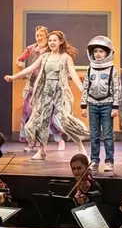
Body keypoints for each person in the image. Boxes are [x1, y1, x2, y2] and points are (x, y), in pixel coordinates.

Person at [5, 30, 90, 160]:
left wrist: (82, 88)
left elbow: (72, 73)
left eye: (54, 40)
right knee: (42, 121)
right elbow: (31, 68)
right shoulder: (45, 57)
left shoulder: (65, 57)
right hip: (46, 92)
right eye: (50, 40)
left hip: (59, 93)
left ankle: (80, 147)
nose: (51, 43)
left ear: (61, 41)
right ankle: (41, 150)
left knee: (65, 120)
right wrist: (13, 77)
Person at [17, 25, 66, 150]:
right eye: (37, 35)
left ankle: (59, 139)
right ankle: (31, 142)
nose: (39, 38)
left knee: (50, 114)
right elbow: (20, 60)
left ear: (46, 36)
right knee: (29, 114)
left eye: (41, 36)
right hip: (33, 84)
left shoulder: (50, 50)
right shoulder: (31, 48)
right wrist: (22, 69)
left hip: (47, 84)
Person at [80, 35, 122, 172]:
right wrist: (83, 105)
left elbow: (117, 89)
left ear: (107, 53)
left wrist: (115, 107)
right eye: (96, 51)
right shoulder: (89, 69)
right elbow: (85, 87)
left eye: (101, 51)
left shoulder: (112, 70)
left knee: (108, 135)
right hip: (93, 105)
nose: (98, 54)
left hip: (107, 105)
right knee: (94, 135)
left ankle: (109, 161)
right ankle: (94, 160)